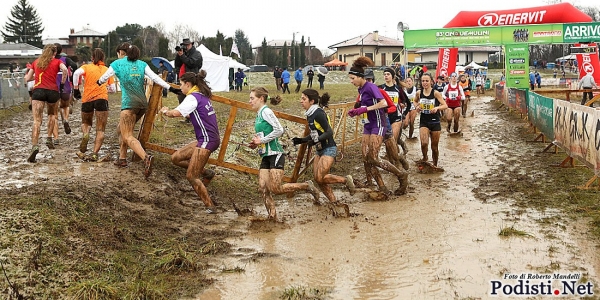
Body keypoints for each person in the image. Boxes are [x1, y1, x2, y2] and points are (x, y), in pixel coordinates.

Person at [98, 43, 180, 178]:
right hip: (142, 104)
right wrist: (170, 88)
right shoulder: (142, 64)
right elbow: (155, 78)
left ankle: (146, 158)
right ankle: (122, 158)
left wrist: (99, 82)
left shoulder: (117, 63)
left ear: (121, 52)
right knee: (121, 129)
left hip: (129, 105)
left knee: (127, 135)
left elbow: (104, 78)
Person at [248, 87, 320, 221]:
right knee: (263, 188)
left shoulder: (266, 111)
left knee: (276, 188)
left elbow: (279, 130)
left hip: (275, 153)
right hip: (265, 155)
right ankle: (272, 217)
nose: (249, 101)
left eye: (252, 98)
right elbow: (264, 135)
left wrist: (262, 140)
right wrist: (256, 143)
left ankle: (307, 186)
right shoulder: (259, 114)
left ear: (261, 99)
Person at [160, 71, 220, 214]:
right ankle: (207, 173)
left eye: (181, 84)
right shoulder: (201, 96)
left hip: (207, 140)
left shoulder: (192, 97)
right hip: (206, 138)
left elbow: (175, 113)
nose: (180, 88)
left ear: (188, 84)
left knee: (191, 176)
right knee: (176, 158)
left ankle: (210, 206)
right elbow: (193, 113)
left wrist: (165, 111)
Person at [347, 57, 408, 195]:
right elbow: (365, 105)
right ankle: (381, 187)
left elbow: (384, 104)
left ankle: (401, 175)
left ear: (360, 76)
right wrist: (356, 110)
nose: (351, 81)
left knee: (374, 157)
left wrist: (365, 109)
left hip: (379, 123)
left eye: (352, 78)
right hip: (368, 124)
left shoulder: (371, 87)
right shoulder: (361, 89)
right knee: (366, 157)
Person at [292, 88, 354, 215]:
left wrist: (315, 141)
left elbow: (329, 132)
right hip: (319, 150)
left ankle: (345, 180)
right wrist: (302, 140)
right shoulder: (310, 113)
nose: (301, 101)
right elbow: (315, 134)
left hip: (329, 148)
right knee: (318, 179)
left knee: (320, 177)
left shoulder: (318, 113)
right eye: (301, 98)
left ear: (312, 101)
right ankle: (334, 202)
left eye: (303, 99)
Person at [23, 44, 69, 162]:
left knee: (37, 121)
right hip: (53, 91)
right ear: (54, 53)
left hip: (38, 91)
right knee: (52, 115)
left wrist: (36, 77)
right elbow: (65, 70)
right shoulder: (57, 62)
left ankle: (35, 145)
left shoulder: (36, 62)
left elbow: (28, 78)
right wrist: (62, 84)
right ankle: (49, 137)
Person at [72, 48, 115, 162]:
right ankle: (95, 153)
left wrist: (76, 89)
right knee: (100, 129)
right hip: (101, 99)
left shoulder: (86, 67)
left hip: (87, 99)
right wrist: (106, 88)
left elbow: (76, 73)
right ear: (103, 58)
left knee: (86, 122)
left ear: (92, 58)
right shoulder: (107, 70)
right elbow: (113, 89)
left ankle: (86, 134)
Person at [414, 73, 448, 167]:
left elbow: (445, 105)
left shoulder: (435, 93)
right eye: (423, 81)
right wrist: (416, 106)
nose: (425, 83)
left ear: (431, 82)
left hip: (435, 121)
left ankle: (435, 165)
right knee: (424, 143)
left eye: (427, 81)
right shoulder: (419, 93)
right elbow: (415, 101)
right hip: (424, 120)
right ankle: (425, 157)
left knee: (434, 147)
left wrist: (437, 108)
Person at [381, 67, 410, 157]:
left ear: (393, 77)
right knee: (387, 142)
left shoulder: (398, 89)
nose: (386, 76)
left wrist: (403, 109)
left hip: (396, 117)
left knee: (392, 139)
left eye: (388, 74)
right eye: (384, 74)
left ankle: (395, 159)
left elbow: (408, 103)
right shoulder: (381, 88)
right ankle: (395, 156)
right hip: (384, 117)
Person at [54, 44, 78, 139]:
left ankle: (55, 138)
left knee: (54, 112)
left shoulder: (50, 60)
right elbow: (74, 65)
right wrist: (72, 77)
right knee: (66, 105)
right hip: (65, 85)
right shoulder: (65, 59)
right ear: (61, 50)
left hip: (54, 86)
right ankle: (66, 119)